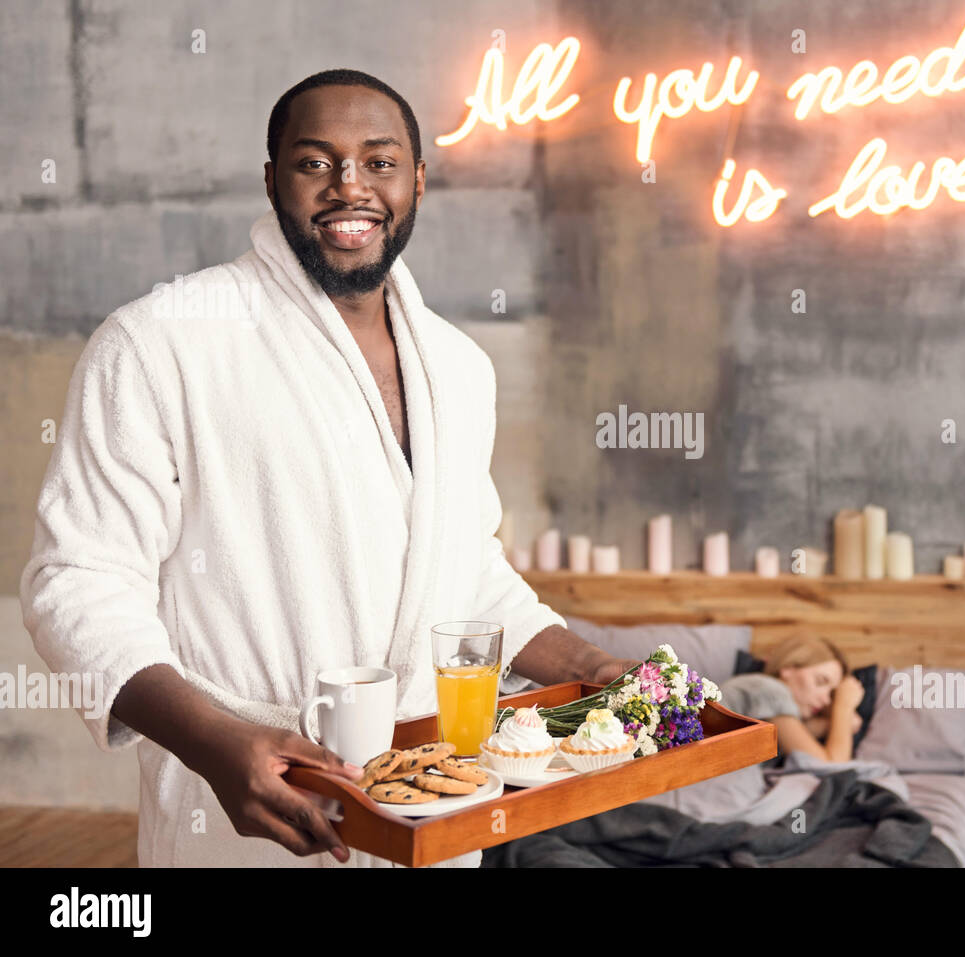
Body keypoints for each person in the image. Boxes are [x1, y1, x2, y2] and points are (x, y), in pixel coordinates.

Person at [18, 69, 640, 868]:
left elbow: (464, 575)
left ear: (417, 180)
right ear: (272, 178)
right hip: (248, 812)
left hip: (434, 806)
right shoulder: (161, 342)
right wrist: (214, 744)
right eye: (317, 163)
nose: (351, 187)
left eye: (380, 163)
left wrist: (587, 664)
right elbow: (79, 581)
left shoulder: (460, 367)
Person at [719, 636, 866, 762]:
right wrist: (843, 708)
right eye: (820, 681)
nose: (826, 700)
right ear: (788, 668)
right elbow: (830, 765)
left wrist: (828, 724)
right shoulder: (771, 690)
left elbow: (785, 739)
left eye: (831, 694)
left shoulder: (765, 699)